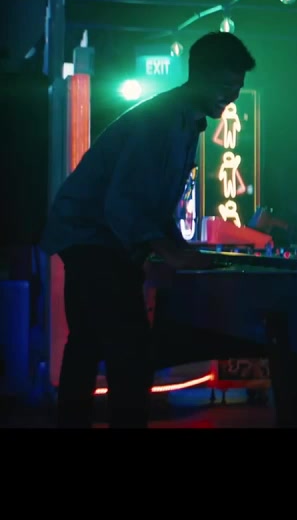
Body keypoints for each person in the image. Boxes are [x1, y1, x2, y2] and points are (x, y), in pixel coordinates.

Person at [41, 31, 255, 428]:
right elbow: (124, 203)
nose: (233, 97)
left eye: (238, 88)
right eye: (227, 87)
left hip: (86, 234)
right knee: (129, 351)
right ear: (201, 76)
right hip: (94, 237)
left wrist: (177, 247)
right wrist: (173, 253)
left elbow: (150, 204)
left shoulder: (183, 120)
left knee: (87, 343)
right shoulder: (162, 121)